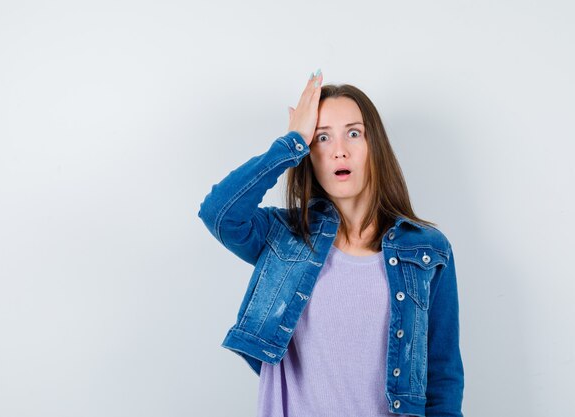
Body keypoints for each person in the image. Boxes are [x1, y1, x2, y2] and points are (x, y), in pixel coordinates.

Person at [198, 69, 464, 417]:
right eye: (322, 138)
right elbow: (219, 213)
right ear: (309, 154)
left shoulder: (428, 250)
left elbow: (441, 376)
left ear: (375, 147)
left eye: (354, 133)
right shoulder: (285, 236)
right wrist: (291, 142)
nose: (339, 151)